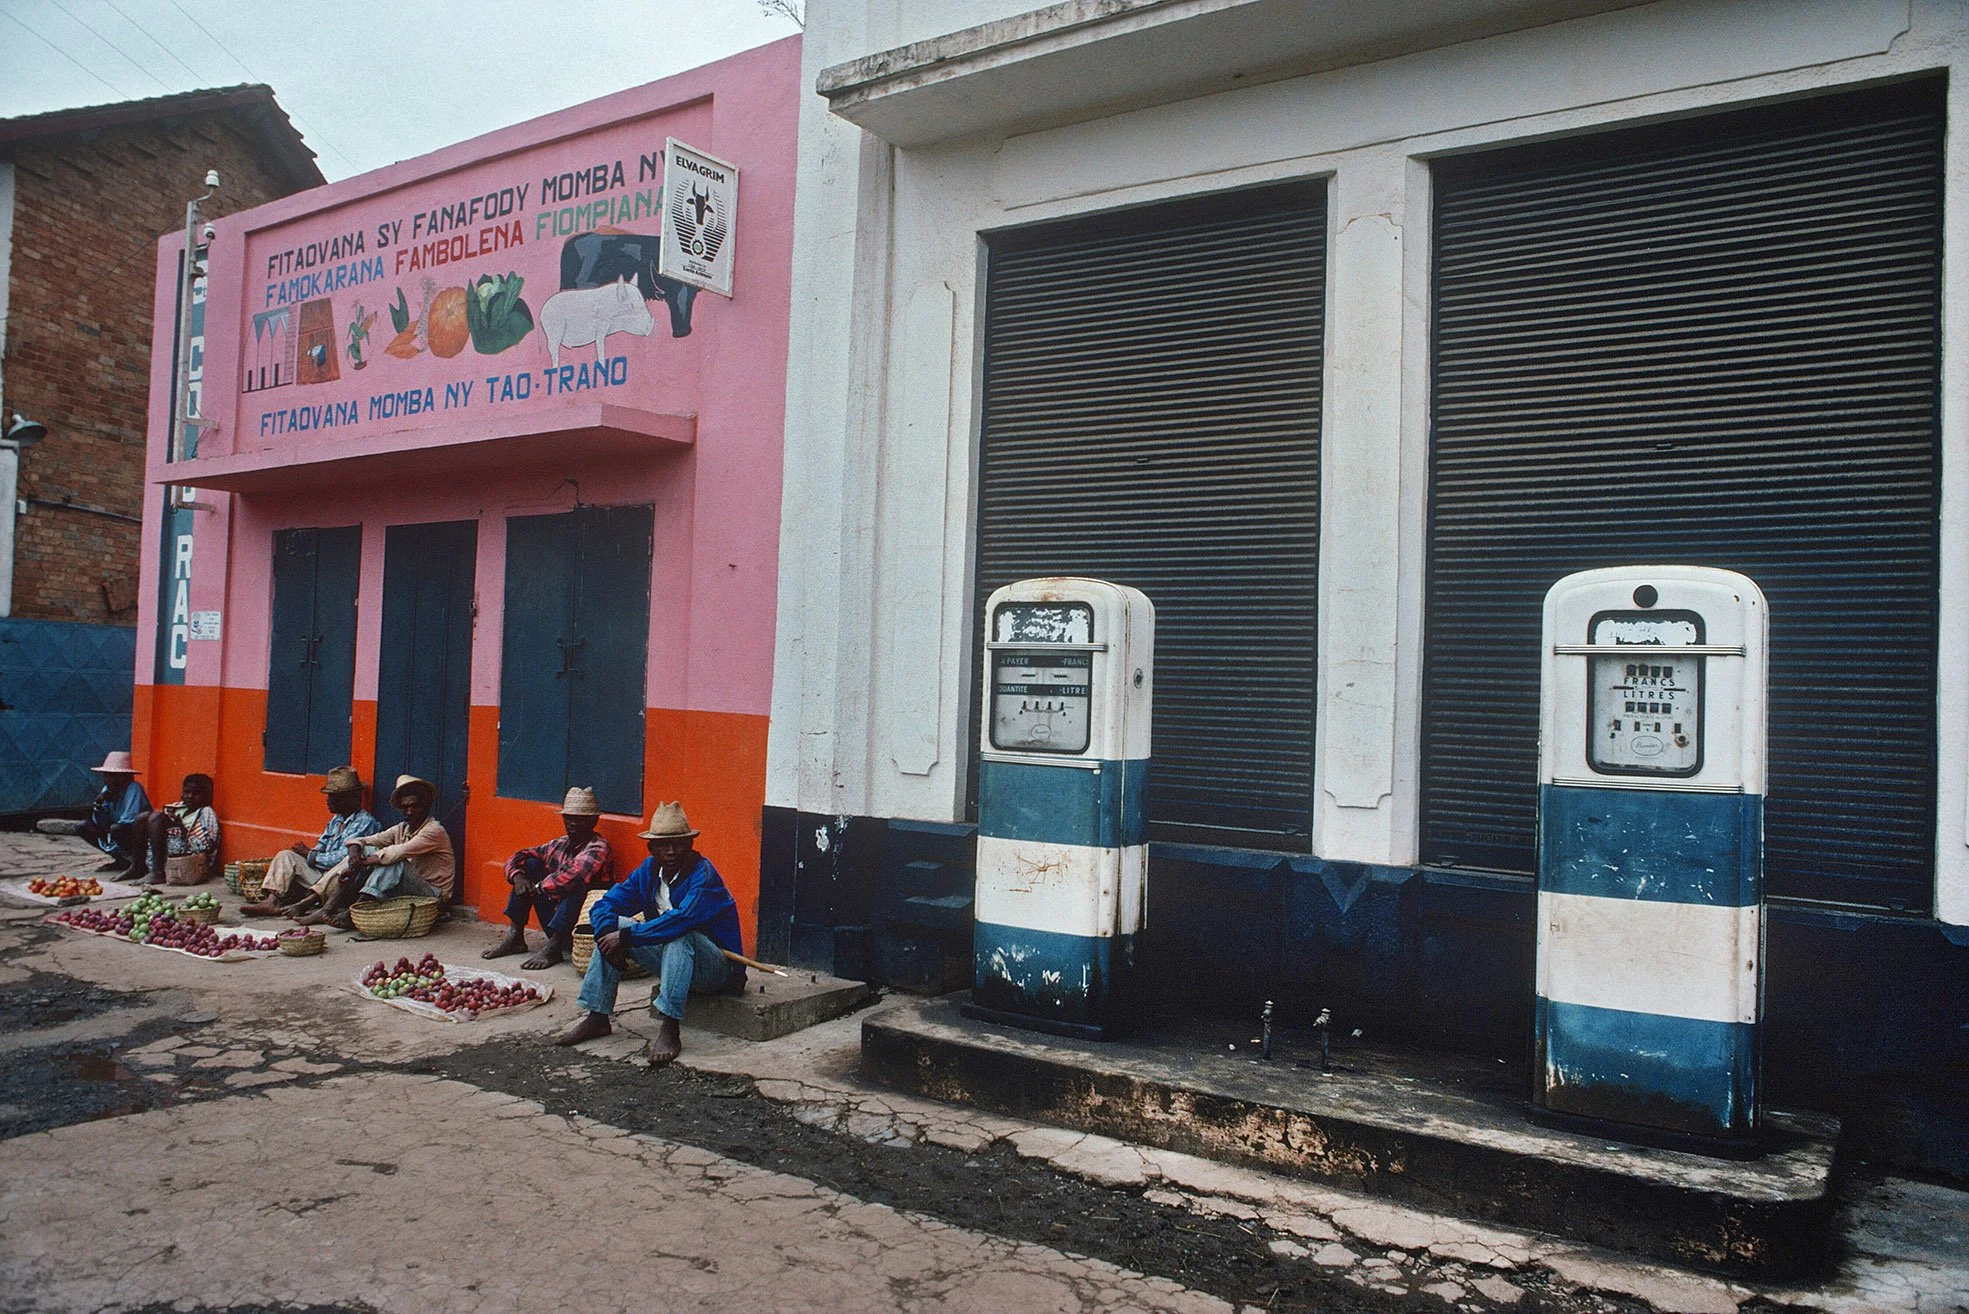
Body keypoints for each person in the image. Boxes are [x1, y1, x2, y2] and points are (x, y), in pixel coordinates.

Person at [555, 802, 745, 1067]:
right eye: (663, 845)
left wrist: (627, 938)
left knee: (680, 934)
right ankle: (597, 1016)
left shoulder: (704, 875)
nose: (671, 851)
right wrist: (609, 933)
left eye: (679, 843)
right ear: (651, 848)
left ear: (689, 844)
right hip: (675, 962)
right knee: (611, 927)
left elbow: (681, 919)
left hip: (716, 970)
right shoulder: (648, 872)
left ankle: (670, 1027)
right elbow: (604, 905)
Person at [293, 775, 454, 928]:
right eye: (405, 808)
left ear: (426, 806)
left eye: (415, 806)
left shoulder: (434, 831)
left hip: (433, 897)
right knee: (368, 851)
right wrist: (355, 854)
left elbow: (396, 853)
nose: (409, 812)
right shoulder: (402, 828)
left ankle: (354, 911)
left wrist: (361, 862)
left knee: (393, 861)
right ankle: (327, 907)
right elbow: (364, 840)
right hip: (406, 890)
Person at [482, 786, 614, 969]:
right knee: (529, 865)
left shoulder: (599, 847)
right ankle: (515, 936)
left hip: (583, 929)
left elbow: (573, 876)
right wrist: (518, 877)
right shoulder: (559, 844)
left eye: (580, 820)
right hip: (555, 918)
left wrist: (536, 888)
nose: (573, 824)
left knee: (578, 887)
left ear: (593, 821)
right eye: (569, 819)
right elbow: (518, 856)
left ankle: (554, 948)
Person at [241, 766, 378, 917]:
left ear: (349, 798)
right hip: (321, 874)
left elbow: (341, 859)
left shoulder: (365, 822)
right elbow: (321, 846)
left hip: (341, 881)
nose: (328, 801)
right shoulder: (336, 820)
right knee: (285, 856)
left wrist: (309, 854)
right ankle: (271, 902)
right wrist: (308, 853)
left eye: (333, 797)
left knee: (343, 865)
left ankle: (309, 903)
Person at [37, 751, 153, 872]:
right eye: (107, 775)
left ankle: (136, 863)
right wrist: (99, 805)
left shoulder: (134, 788)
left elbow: (129, 819)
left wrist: (109, 830)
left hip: (136, 834)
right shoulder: (107, 790)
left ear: (127, 777)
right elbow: (100, 822)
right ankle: (121, 861)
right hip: (114, 831)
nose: (110, 780)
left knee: (117, 829)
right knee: (84, 826)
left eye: (115, 776)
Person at [129, 773, 220, 885]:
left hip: (190, 855)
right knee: (143, 817)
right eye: (187, 792)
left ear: (206, 796)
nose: (190, 796)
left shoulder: (206, 812)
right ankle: (137, 867)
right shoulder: (179, 807)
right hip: (171, 847)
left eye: (196, 794)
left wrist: (180, 827)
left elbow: (206, 845)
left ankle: (158, 873)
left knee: (157, 818)